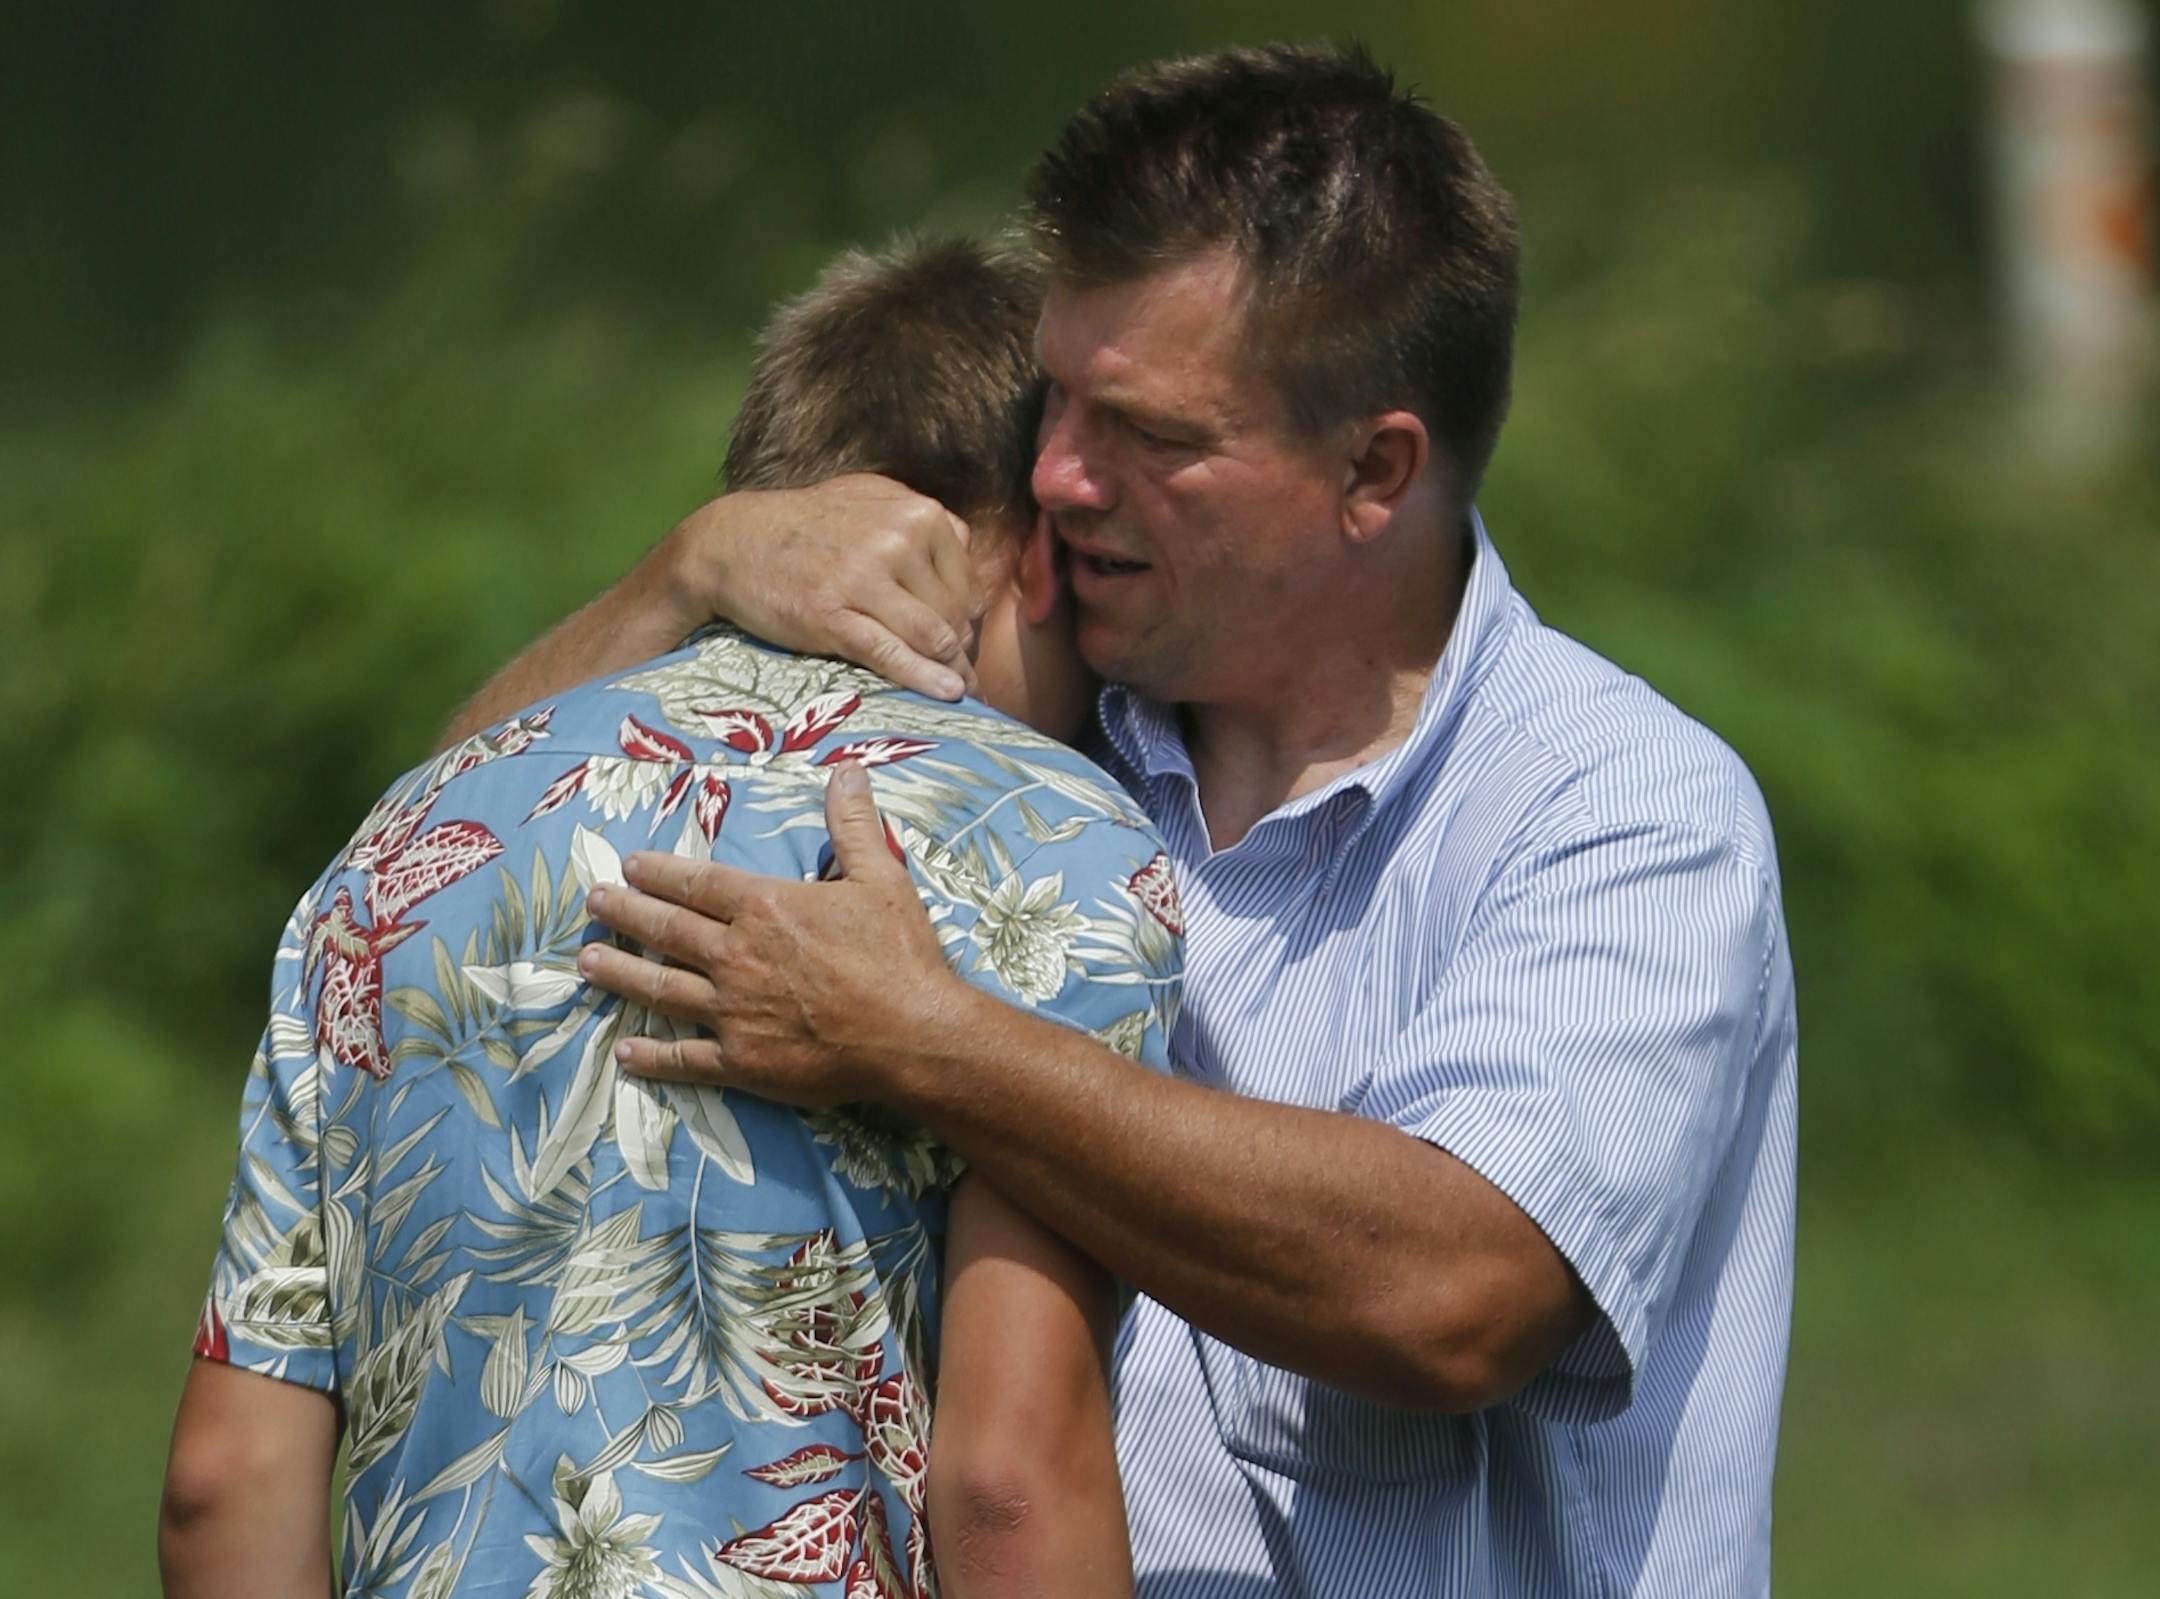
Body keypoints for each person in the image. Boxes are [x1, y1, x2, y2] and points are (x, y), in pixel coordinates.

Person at [444, 43, 1799, 1598]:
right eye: (1059, 396)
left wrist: (928, 1041)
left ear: (1375, 471)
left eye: (1151, 434)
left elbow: (1454, 1294)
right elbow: (439, 859)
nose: (1059, 475)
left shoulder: (1623, 810)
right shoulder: (1032, 711)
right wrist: (686, 571)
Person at [158, 238, 1184, 1599]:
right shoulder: (1059, 852)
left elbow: (220, 1485)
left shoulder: (400, 850)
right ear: (1042, 546)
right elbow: (1008, 1486)